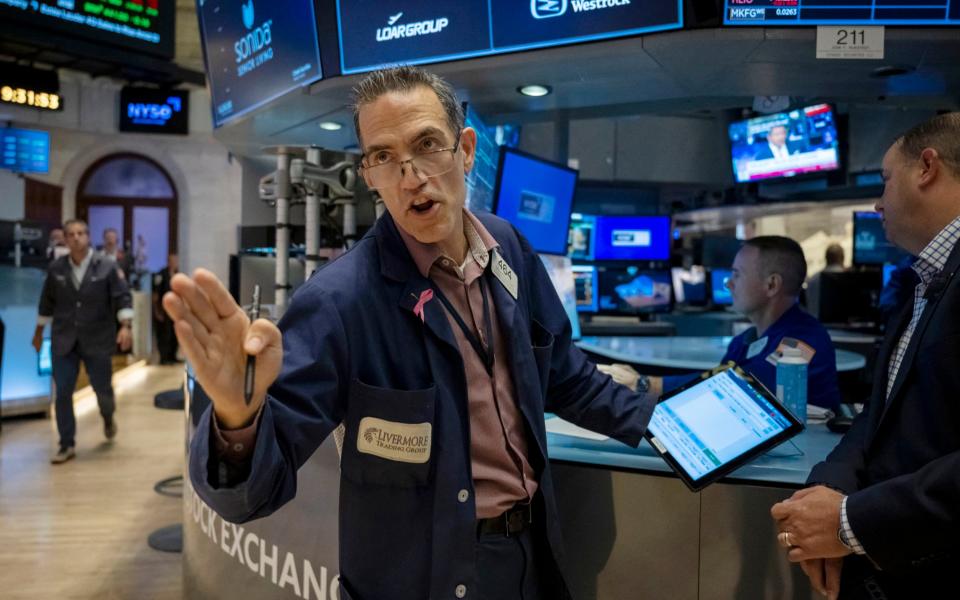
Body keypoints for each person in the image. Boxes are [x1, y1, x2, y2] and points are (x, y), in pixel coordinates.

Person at [163, 66, 654, 600]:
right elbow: (250, 494)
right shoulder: (341, 302)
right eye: (384, 156)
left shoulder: (508, 248)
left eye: (427, 145)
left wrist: (674, 426)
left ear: (465, 149)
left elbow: (567, 378)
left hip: (529, 558)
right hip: (421, 579)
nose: (411, 175)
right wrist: (237, 418)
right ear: (368, 175)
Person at [770, 113, 960, 599]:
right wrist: (827, 495)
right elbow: (877, 415)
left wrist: (849, 521)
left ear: (927, 167)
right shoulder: (924, 279)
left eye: (885, 179)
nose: (878, 201)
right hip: (887, 563)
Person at [613, 237, 841, 411]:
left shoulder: (803, 341)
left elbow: (746, 388)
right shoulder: (745, 340)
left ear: (771, 285)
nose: (729, 284)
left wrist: (647, 384)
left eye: (737, 274)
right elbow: (718, 384)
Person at [33, 219, 133, 464]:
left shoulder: (107, 266)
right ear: (65, 240)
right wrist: (37, 333)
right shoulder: (56, 268)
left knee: (102, 388)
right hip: (63, 339)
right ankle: (66, 444)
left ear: (88, 237)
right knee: (64, 392)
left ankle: (107, 416)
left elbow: (122, 297)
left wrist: (125, 326)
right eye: (70, 234)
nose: (75, 238)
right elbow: (47, 302)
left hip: (97, 337)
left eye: (80, 233)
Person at [806, 243, 846, 319]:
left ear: (826, 258)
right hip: (841, 328)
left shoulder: (813, 279)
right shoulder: (848, 279)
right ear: (842, 258)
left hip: (814, 325)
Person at [152, 253, 179, 364]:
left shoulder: (178, 274)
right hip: (163, 310)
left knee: (174, 334)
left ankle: (172, 356)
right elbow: (155, 295)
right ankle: (164, 358)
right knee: (164, 335)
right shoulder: (161, 275)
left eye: (176, 260)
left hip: (175, 311)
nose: (175, 263)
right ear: (168, 261)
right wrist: (157, 311)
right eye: (172, 260)